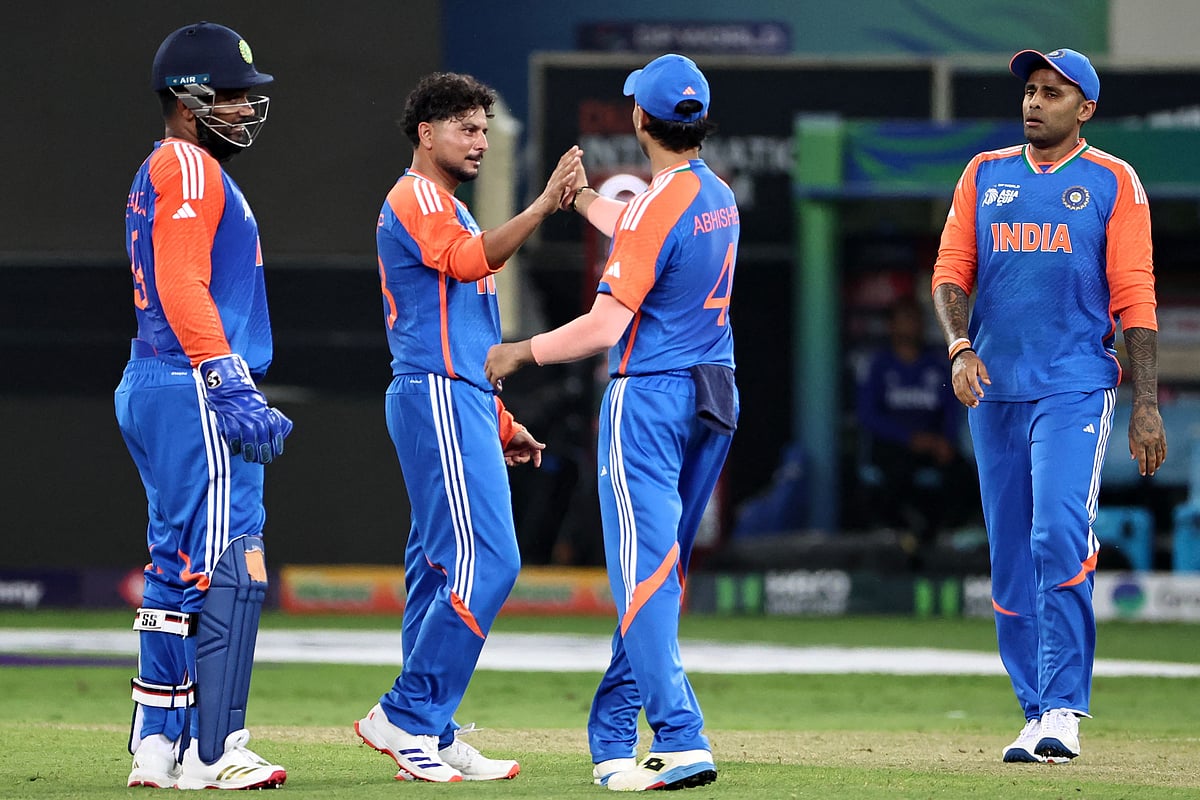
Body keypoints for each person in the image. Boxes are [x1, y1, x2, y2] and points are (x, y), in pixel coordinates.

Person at [486, 53, 736, 791]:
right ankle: (613, 729)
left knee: (645, 577)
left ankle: (683, 738)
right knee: (660, 574)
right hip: (712, 394)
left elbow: (602, 327)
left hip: (651, 398)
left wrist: (517, 351)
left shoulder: (663, 203)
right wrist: (584, 199)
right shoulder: (714, 192)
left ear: (638, 120)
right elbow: (646, 230)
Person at [931, 48, 1167, 765]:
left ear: (1084, 108)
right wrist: (959, 345)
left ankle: (1064, 709)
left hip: (1074, 387)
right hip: (995, 391)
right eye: (1031, 91)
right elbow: (950, 272)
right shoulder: (984, 174)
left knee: (1056, 535)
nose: (1035, 102)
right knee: (1008, 559)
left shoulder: (1112, 182)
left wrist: (1146, 403)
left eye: (1053, 93)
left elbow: (1135, 298)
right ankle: (1034, 713)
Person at [352, 72, 581, 783]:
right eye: (466, 128)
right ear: (426, 133)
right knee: (491, 560)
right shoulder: (414, 196)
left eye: (484, 128)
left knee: (436, 568)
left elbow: (466, 332)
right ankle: (407, 715)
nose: (479, 139)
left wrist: (502, 416)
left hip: (461, 398)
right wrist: (543, 205)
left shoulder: (445, 205)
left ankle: (435, 727)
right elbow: (468, 262)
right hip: (436, 397)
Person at [116, 21, 292, 790]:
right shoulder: (188, 164)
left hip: (155, 378)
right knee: (229, 568)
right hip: (195, 383)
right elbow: (183, 279)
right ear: (187, 101)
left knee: (172, 569)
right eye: (231, 96)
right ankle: (215, 751)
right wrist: (227, 379)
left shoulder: (164, 165)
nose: (247, 109)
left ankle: (157, 743)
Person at [854, 296, 975, 546]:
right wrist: (909, 439)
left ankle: (948, 537)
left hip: (932, 444)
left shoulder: (936, 364)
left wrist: (943, 441)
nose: (911, 326)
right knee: (893, 475)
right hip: (894, 445)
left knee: (962, 474)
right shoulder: (879, 365)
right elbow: (868, 415)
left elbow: (951, 409)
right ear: (892, 326)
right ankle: (899, 535)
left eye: (916, 320)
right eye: (905, 320)